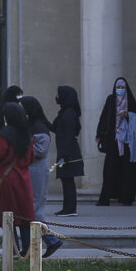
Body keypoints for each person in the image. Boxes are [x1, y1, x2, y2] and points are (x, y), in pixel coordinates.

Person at [22, 96, 63, 257]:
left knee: (35, 208)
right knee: (29, 208)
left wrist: (21, 148)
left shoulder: (40, 127)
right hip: (29, 169)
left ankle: (52, 240)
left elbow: (40, 151)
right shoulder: (30, 126)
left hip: (37, 171)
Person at [0, 102, 36, 258]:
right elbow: (32, 157)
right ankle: (27, 250)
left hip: (8, 177)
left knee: (9, 215)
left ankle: (12, 250)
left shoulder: (5, 133)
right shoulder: (27, 133)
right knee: (25, 216)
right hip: (24, 177)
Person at [95, 76, 136, 206]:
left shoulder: (130, 102)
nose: (120, 90)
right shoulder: (111, 100)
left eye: (122, 87)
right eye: (118, 87)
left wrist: (128, 115)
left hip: (127, 143)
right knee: (109, 169)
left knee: (127, 170)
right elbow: (103, 118)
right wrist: (99, 133)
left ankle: (126, 197)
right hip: (113, 142)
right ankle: (106, 198)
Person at [52, 85, 84, 216]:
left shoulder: (69, 114)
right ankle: (67, 208)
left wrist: (64, 155)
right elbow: (57, 129)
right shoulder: (65, 112)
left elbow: (70, 135)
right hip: (66, 151)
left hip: (68, 153)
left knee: (68, 180)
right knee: (66, 180)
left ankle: (70, 209)